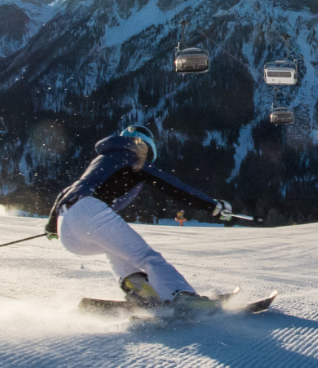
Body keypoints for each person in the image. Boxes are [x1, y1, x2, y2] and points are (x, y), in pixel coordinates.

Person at [46, 125, 236, 310]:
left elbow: (67, 191)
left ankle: (141, 290)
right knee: (148, 258)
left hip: (67, 227)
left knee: (115, 248)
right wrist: (213, 206)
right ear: (145, 145)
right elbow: (172, 186)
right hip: (88, 210)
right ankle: (183, 297)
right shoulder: (133, 156)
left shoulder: (104, 158)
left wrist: (52, 227)